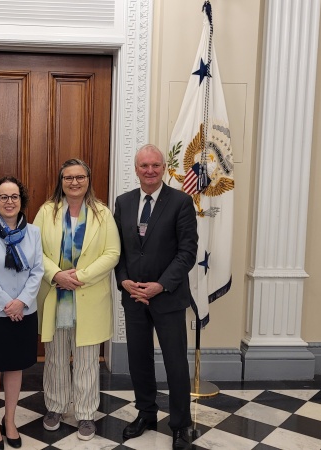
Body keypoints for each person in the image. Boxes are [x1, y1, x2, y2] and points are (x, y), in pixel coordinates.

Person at [113, 144, 198, 450]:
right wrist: (124, 281)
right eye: (144, 166)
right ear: (136, 169)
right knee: (139, 360)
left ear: (164, 168)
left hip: (168, 297)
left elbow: (187, 252)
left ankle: (180, 424)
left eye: (155, 166)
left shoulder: (181, 202)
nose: (149, 171)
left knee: (175, 362)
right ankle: (146, 413)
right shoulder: (123, 202)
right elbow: (118, 250)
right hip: (134, 297)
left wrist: (160, 285)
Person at [33, 159, 121, 441]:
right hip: (55, 295)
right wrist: (57, 274)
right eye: (68, 177)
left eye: (79, 177)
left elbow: (112, 253)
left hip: (88, 296)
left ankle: (85, 414)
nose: (74, 182)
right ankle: (56, 407)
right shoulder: (47, 212)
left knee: (86, 359)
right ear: (61, 181)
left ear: (88, 179)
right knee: (56, 357)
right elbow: (34, 250)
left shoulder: (102, 214)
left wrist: (79, 276)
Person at [0, 176, 44, 450]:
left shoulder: (34, 233)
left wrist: (21, 302)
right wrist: (6, 303)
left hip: (24, 312)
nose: (9, 202)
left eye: (14, 196)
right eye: (3, 197)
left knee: (15, 369)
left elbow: (37, 270)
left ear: (21, 200)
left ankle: (10, 420)